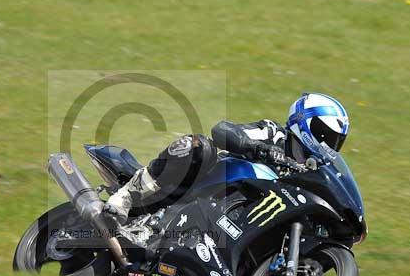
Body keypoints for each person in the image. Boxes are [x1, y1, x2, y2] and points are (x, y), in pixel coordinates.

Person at [103, 92, 350, 222]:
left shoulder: (311, 170)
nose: (328, 143)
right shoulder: (273, 134)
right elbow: (222, 130)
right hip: (204, 188)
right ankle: (126, 196)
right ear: (305, 123)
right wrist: (260, 149)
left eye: (335, 140)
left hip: (239, 216)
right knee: (200, 147)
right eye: (324, 133)